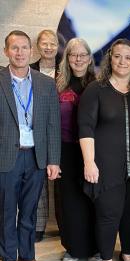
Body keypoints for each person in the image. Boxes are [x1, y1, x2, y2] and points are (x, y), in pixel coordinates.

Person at [78, 39, 130, 261]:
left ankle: (128, 255)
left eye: (128, 57)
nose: (122, 62)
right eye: (117, 56)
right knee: (108, 214)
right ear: (110, 59)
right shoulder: (96, 89)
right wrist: (89, 162)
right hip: (105, 166)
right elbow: (85, 127)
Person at [0, 30, 61, 261]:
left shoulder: (45, 84)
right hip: (6, 158)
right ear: (6, 52)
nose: (20, 52)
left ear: (30, 51)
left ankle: (27, 257)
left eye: (24, 47)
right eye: (14, 48)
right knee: (5, 212)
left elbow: (52, 124)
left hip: (36, 157)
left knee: (29, 212)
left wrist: (54, 160)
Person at [55, 38, 98, 261]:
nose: (78, 59)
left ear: (90, 58)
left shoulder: (99, 83)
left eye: (83, 54)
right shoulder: (58, 84)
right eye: (73, 55)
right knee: (69, 201)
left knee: (92, 198)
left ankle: (96, 248)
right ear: (67, 58)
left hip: (92, 151)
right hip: (66, 150)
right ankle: (73, 247)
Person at [30, 29, 60, 243]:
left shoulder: (65, 69)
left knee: (63, 183)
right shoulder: (28, 70)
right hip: (36, 131)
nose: (49, 47)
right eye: (45, 43)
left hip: (61, 130)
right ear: (38, 46)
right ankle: (39, 226)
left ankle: (65, 225)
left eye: (53, 43)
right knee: (38, 182)